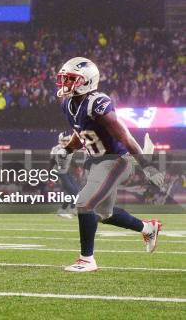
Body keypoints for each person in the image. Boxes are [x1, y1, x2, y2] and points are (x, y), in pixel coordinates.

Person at [55, 57, 164, 272]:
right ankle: (148, 228)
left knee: (85, 204)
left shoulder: (97, 103)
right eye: (64, 79)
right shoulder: (69, 103)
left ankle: (87, 259)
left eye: (71, 79)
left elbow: (123, 136)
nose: (65, 83)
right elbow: (81, 133)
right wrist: (67, 149)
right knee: (105, 214)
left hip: (116, 161)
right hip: (96, 162)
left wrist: (146, 165)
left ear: (87, 81)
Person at [50, 131, 80, 218]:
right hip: (58, 173)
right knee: (72, 191)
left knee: (76, 190)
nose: (66, 142)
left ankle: (68, 209)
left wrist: (77, 168)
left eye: (67, 140)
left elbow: (71, 159)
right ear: (60, 140)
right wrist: (51, 177)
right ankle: (67, 209)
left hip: (66, 172)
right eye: (64, 140)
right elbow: (51, 162)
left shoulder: (69, 148)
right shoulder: (56, 149)